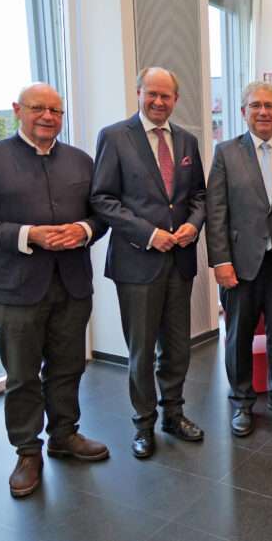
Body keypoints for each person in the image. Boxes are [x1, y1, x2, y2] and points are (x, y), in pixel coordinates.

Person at [0, 83, 109, 498]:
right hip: (15, 290)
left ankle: (65, 434)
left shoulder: (80, 160)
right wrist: (28, 234)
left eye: (56, 110)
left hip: (73, 284)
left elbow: (102, 213)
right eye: (38, 108)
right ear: (17, 110)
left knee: (67, 366)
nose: (47, 116)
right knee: (23, 376)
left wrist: (83, 229)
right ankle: (28, 451)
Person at [91, 67, 207, 459]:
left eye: (166, 96)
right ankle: (143, 425)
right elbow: (103, 199)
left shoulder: (188, 140)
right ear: (138, 93)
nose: (159, 102)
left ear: (176, 99)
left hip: (180, 261)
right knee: (141, 350)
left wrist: (193, 225)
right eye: (151, 94)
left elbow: (199, 197)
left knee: (177, 347)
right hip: (137, 262)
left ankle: (173, 414)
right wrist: (148, 234)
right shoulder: (114, 136)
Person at [206, 82, 272, 437]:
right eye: (255, 105)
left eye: (269, 105)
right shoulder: (225, 153)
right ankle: (241, 401)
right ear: (243, 112)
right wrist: (220, 261)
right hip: (241, 263)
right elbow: (216, 211)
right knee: (238, 334)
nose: (263, 111)